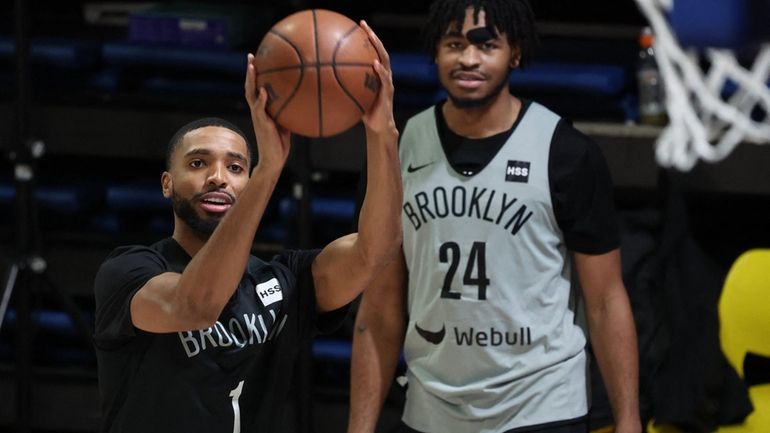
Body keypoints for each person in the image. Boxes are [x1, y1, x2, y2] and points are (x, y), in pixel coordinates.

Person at [93, 21, 401, 433]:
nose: (219, 177)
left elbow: (375, 251)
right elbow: (196, 306)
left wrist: (382, 132)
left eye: (236, 167)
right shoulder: (129, 272)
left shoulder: (282, 281)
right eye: (199, 163)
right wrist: (267, 169)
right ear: (167, 184)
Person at [347, 1, 641, 433]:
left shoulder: (565, 152)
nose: (469, 58)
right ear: (435, 53)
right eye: (454, 44)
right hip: (433, 408)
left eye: (487, 46)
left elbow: (605, 300)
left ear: (515, 54)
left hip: (543, 405)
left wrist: (629, 419)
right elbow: (380, 308)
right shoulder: (397, 148)